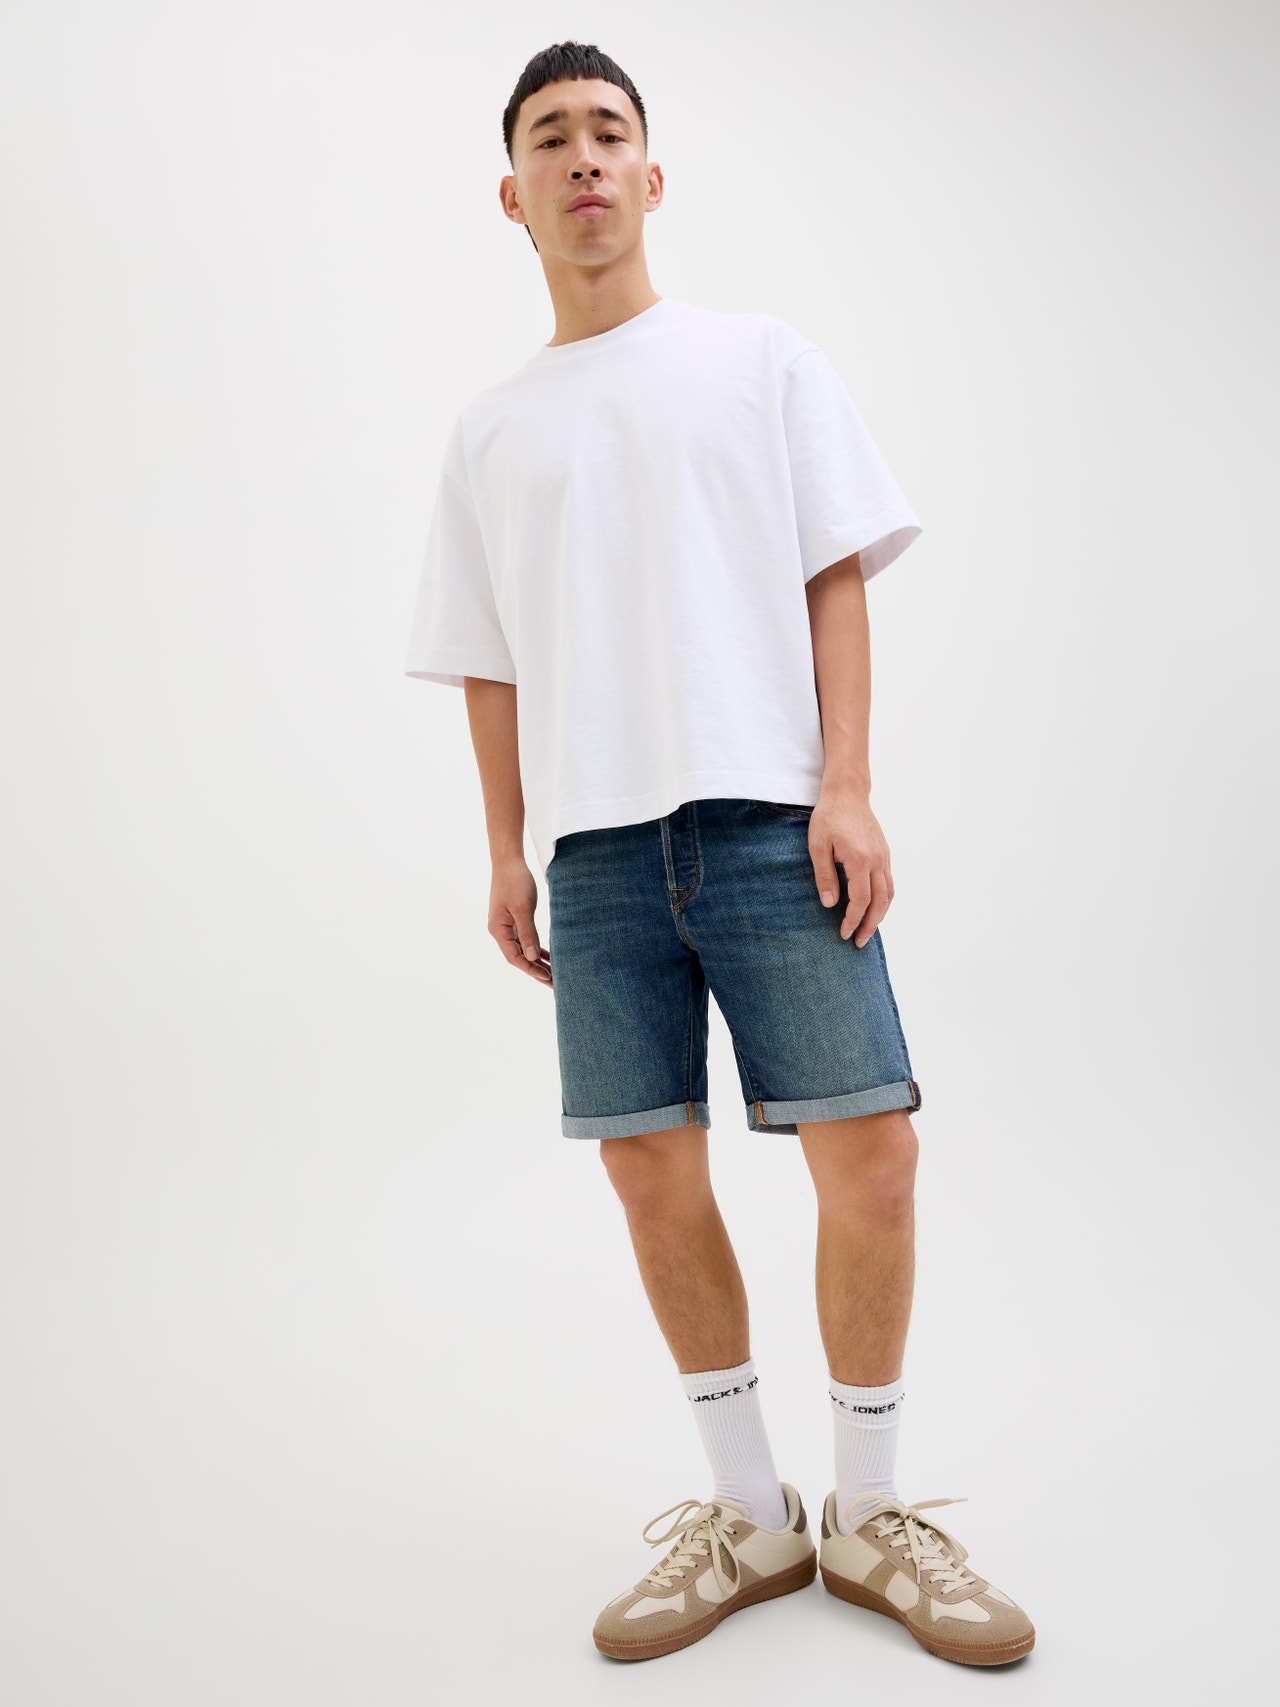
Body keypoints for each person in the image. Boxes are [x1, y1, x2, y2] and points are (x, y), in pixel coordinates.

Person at [404, 39, 1034, 1669]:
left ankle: (871, 1514)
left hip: (770, 817)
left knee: (872, 1154)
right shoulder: (490, 430)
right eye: (553, 138)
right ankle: (752, 1515)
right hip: (598, 853)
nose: (584, 157)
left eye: (609, 131)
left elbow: (837, 570)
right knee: (649, 1170)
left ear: (653, 174)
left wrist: (849, 783)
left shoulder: (758, 359)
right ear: (512, 194)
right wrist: (502, 849)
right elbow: (489, 659)